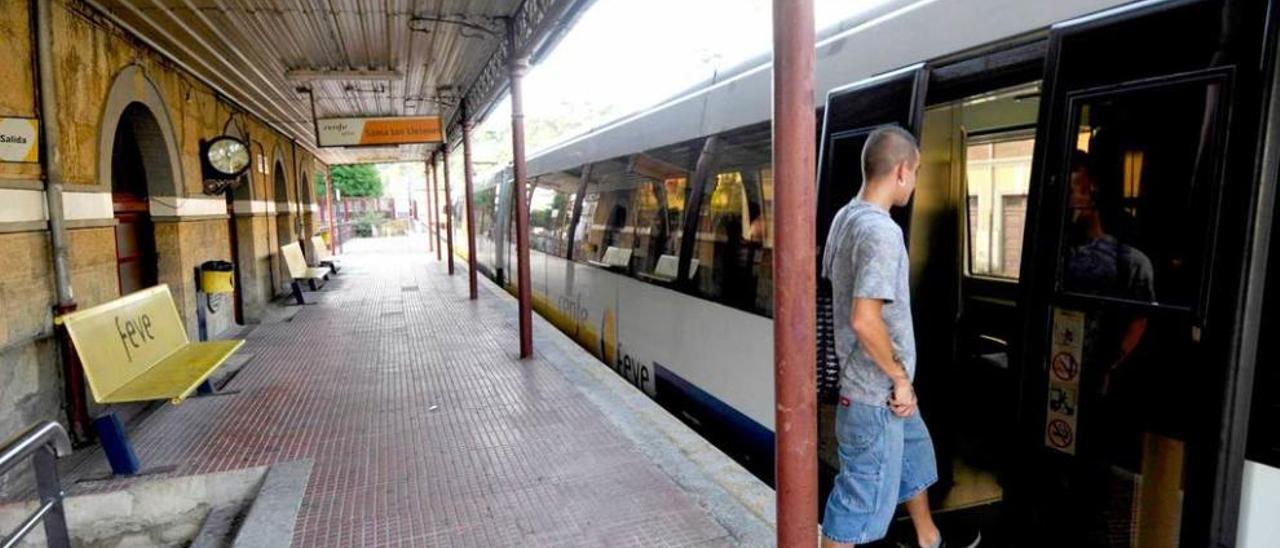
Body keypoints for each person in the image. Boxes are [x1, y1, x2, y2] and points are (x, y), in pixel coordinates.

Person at [820, 126, 978, 548]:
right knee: (856, 503)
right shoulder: (880, 231)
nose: (917, 181)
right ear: (903, 170)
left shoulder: (845, 217)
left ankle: (929, 540)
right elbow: (864, 319)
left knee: (916, 463)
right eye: (919, 171)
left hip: (884, 393)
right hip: (876, 395)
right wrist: (900, 378)